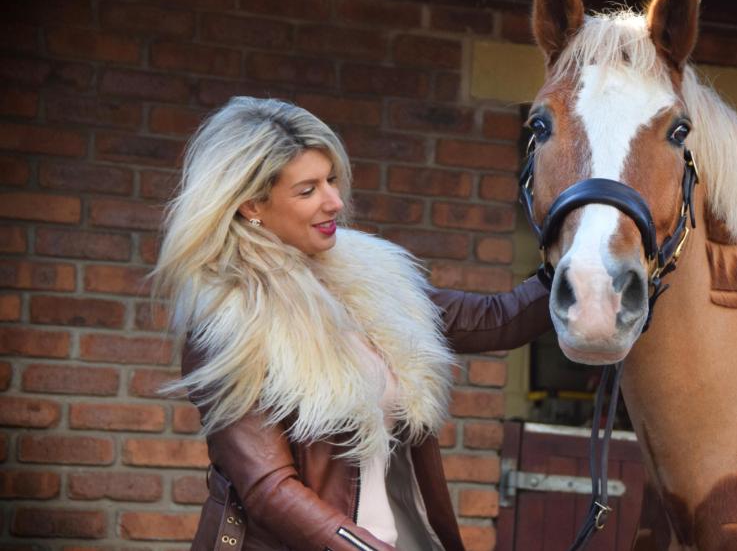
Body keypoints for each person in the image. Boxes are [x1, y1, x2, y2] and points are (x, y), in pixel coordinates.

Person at [152, 97, 550, 551]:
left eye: (332, 180)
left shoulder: (367, 277)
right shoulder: (229, 320)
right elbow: (268, 489)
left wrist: (575, 265)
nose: (335, 202)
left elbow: (498, 320)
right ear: (250, 205)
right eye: (307, 190)